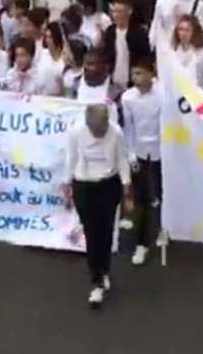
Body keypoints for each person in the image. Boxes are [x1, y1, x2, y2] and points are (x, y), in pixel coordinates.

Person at [64, 102, 133, 308]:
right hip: (84, 186)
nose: (100, 134)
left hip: (108, 185)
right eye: (96, 130)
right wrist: (66, 185)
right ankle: (97, 278)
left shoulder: (116, 133)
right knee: (92, 233)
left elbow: (122, 160)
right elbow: (71, 158)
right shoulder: (76, 133)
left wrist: (126, 187)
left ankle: (105, 269)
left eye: (103, 129)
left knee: (106, 231)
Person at [120, 59, 163, 266]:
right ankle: (141, 243)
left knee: (162, 195)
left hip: (161, 152)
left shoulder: (163, 94)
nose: (135, 78)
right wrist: (130, 155)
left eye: (139, 73)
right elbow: (128, 129)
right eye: (133, 74)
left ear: (150, 73)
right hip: (139, 151)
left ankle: (163, 228)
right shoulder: (128, 98)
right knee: (142, 199)